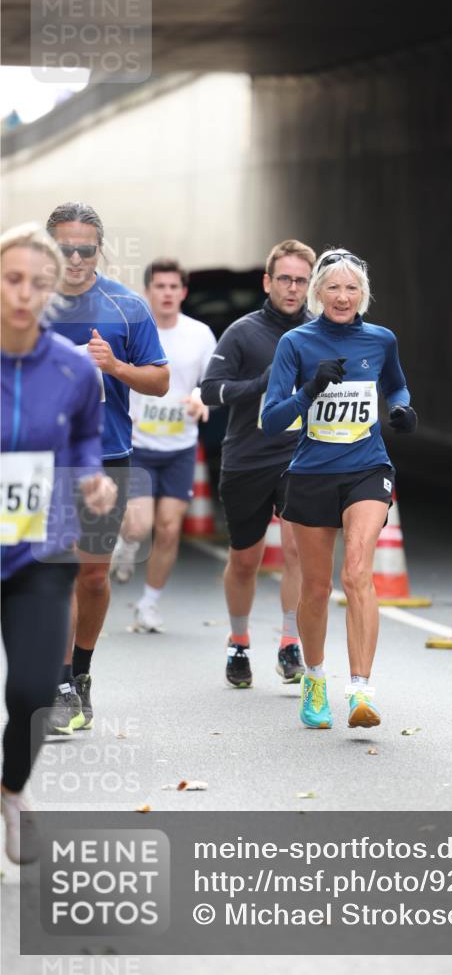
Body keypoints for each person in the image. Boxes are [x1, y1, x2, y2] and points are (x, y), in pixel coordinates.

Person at [261, 248, 417, 729]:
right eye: (333, 288)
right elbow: (270, 421)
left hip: (367, 468)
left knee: (356, 573)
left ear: (363, 294)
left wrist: (403, 411)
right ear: (317, 293)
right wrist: (309, 392)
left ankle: (361, 692)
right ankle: (314, 679)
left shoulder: (381, 340)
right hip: (311, 473)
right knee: (315, 587)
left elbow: (398, 387)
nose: (343, 297)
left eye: (352, 288)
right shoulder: (296, 343)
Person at [0, 224, 116, 863]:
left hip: (38, 550)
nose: (24, 294)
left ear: (52, 292)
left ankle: (12, 790)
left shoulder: (73, 370)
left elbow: (83, 443)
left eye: (37, 284)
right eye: (12, 280)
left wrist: (94, 481)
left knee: (36, 692)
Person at [45, 202, 169, 731]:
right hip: (39, 461)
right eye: (63, 248)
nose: (74, 258)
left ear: (101, 250)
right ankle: (59, 681)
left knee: (92, 575)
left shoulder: (126, 308)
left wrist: (115, 367)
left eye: (85, 249)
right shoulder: (25, 302)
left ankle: (82, 670)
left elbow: (160, 381)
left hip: (106, 457)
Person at [201, 239, 316, 689]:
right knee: (245, 559)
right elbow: (211, 391)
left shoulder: (319, 332)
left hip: (300, 458)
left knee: (296, 552)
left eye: (301, 280)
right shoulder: (243, 332)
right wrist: (262, 385)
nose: (292, 288)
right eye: (285, 279)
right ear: (268, 282)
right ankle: (239, 639)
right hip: (247, 458)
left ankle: (290, 641)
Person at [110, 258, 216, 632]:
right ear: (148, 292)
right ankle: (126, 544)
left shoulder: (200, 334)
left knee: (170, 529)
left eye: (174, 287)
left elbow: (213, 380)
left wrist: (201, 398)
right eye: (160, 287)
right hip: (138, 444)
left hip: (180, 447)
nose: (167, 293)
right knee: (140, 525)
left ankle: (149, 604)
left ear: (183, 292)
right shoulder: (134, 331)